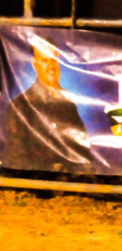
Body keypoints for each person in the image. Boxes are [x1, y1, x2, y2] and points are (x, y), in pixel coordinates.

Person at [4, 35, 93, 172]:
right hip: (39, 183)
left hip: (72, 181)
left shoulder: (68, 103)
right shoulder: (20, 106)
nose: (51, 66)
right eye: (45, 61)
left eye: (53, 60)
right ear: (35, 64)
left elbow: (83, 152)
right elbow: (17, 161)